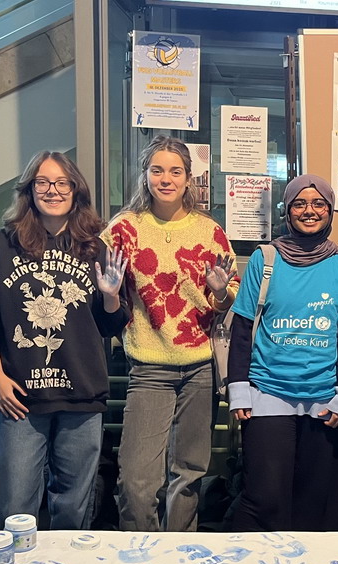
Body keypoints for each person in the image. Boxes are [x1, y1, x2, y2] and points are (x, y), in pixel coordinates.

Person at [0, 151, 128, 530]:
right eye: (43, 182)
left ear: (76, 190)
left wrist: (111, 297)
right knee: (13, 502)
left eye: (62, 182)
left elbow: (110, 324)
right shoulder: (3, 245)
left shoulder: (95, 248)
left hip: (82, 394)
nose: (53, 190)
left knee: (74, 506)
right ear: (29, 190)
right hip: (20, 396)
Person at [104, 135, 237, 532]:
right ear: (145, 176)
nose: (166, 179)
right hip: (148, 368)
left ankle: (181, 552)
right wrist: (109, 294)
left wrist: (219, 293)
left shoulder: (209, 231)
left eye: (175, 171)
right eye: (157, 170)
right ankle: (138, 554)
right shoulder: (123, 229)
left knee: (189, 474)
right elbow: (103, 289)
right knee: (136, 482)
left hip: (200, 368)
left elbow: (228, 297)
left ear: (188, 179)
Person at [228, 175, 338, 531]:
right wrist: (238, 390)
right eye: (300, 203)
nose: (309, 211)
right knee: (265, 498)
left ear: (330, 210)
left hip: (325, 399)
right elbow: (242, 328)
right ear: (287, 210)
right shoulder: (265, 258)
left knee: (316, 504)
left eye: (318, 204)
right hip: (268, 392)